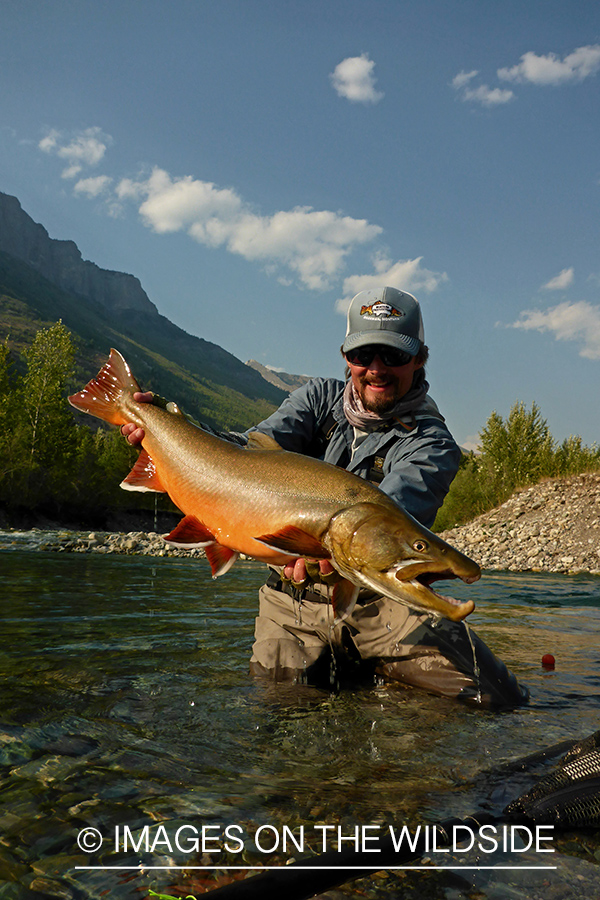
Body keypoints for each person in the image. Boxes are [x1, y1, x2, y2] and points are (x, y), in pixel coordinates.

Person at [122, 286, 528, 709]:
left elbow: (387, 525)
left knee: (495, 701)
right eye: (363, 355)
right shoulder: (317, 400)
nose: (376, 368)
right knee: (282, 714)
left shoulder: (433, 443)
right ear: (346, 357)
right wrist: (167, 431)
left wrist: (327, 553)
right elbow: (243, 452)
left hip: (381, 605)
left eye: (393, 356)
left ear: (420, 359)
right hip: (291, 600)